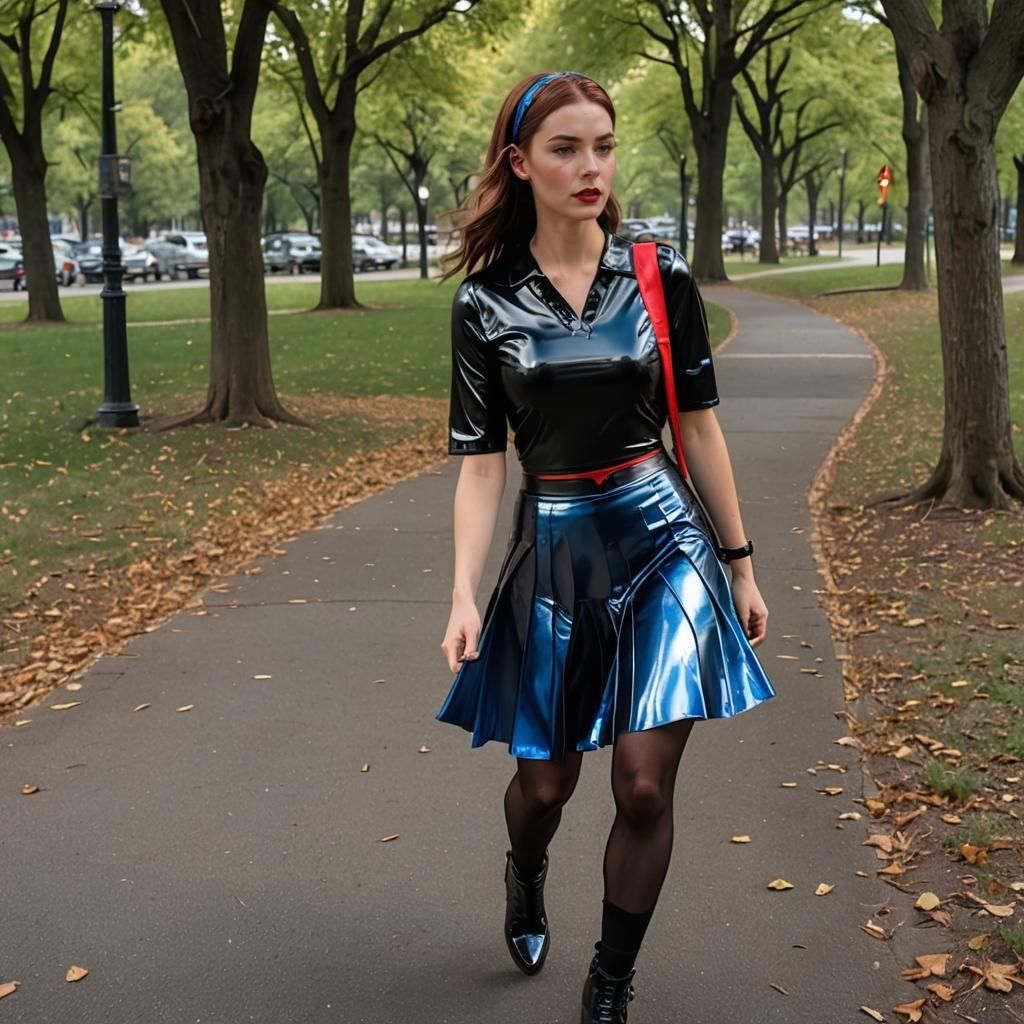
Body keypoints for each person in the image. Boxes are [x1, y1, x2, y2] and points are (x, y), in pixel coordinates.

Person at [435, 70, 777, 1024]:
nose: (591, 167)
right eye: (566, 149)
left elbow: (699, 427)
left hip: (664, 540)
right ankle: (526, 868)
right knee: (545, 785)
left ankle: (611, 982)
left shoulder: (659, 275)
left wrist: (741, 565)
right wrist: (463, 593)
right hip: (555, 552)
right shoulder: (484, 303)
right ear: (520, 164)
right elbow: (480, 467)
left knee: (643, 788)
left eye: (604, 147)